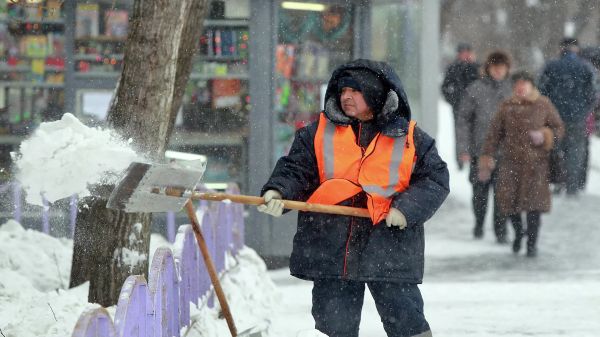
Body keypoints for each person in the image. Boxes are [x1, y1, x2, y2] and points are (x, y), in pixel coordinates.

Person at [257, 59, 449, 337]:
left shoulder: (410, 138)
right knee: (334, 327)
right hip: (333, 247)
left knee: (407, 321)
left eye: (354, 91)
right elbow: (296, 169)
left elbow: (435, 179)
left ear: (375, 94)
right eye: (343, 90)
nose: (345, 96)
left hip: (389, 245)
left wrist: (406, 209)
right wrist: (278, 191)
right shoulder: (318, 133)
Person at [478, 71, 564, 257]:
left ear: (532, 85)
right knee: (508, 205)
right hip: (510, 165)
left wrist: (545, 135)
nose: (520, 87)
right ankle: (519, 233)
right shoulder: (506, 107)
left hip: (537, 166)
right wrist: (486, 158)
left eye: (524, 83)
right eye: (517, 83)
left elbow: (558, 128)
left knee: (534, 208)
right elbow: (494, 135)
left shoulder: (543, 104)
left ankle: (532, 245)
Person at [455, 50, 512, 241]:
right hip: (480, 152)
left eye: (502, 68)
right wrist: (463, 149)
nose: (498, 71)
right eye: (495, 68)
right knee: (480, 193)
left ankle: (500, 230)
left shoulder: (512, 90)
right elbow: (463, 120)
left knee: (502, 194)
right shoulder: (475, 89)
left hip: (505, 153)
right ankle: (479, 223)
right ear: (488, 68)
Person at [538, 38, 595, 196]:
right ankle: (572, 186)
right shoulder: (586, 67)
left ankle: (557, 183)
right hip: (577, 118)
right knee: (575, 152)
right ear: (576, 49)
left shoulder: (551, 66)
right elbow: (593, 94)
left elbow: (541, 89)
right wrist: (584, 111)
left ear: (561, 48)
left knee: (555, 149)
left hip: (554, 117)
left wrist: (548, 111)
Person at [441, 42, 480, 169]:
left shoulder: (477, 67)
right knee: (459, 132)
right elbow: (445, 88)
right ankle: (460, 158)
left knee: (474, 131)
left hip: (475, 108)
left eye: (468, 52)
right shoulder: (453, 68)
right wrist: (454, 101)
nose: (465, 55)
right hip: (459, 107)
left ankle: (473, 156)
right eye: (463, 52)